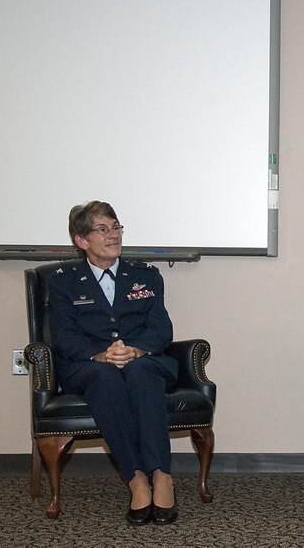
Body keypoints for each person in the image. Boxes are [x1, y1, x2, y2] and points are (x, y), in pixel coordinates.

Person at [47, 201, 178, 526]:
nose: (113, 235)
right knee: (104, 377)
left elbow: (161, 329)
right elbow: (63, 336)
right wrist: (100, 354)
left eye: (116, 227)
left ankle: (162, 476)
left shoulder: (146, 275)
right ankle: (136, 479)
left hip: (143, 359)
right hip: (90, 365)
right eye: (102, 229)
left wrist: (135, 351)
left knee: (141, 371)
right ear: (81, 240)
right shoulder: (63, 281)